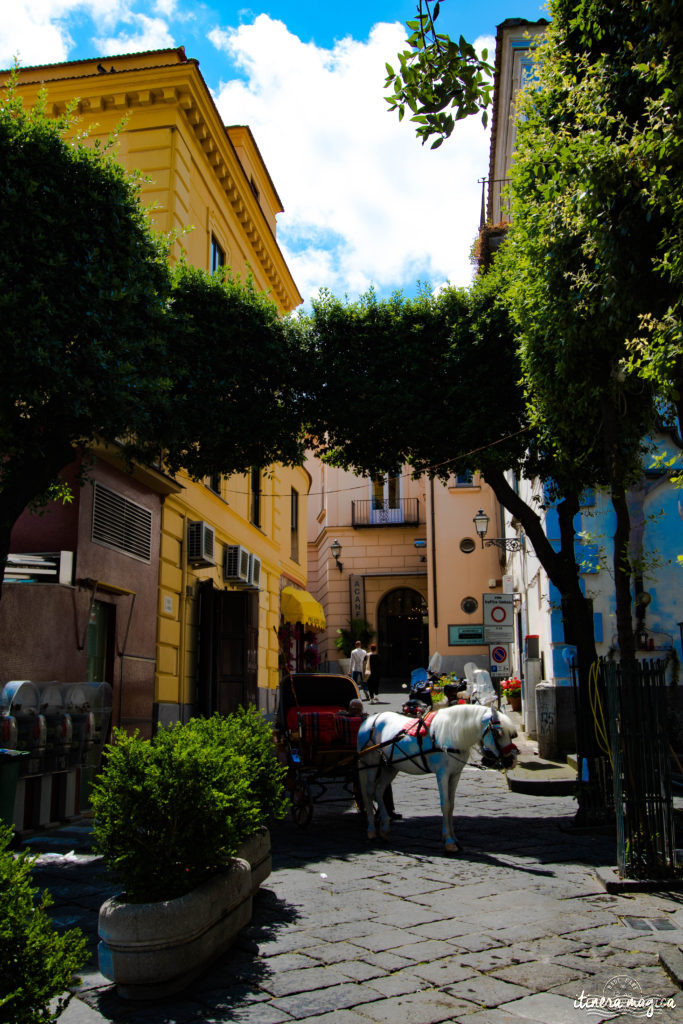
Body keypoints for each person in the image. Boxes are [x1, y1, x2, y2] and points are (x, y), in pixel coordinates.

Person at [344, 698, 401, 820]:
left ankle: (388, 809)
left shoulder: (367, 722)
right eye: (353, 709)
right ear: (349, 710)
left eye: (358, 709)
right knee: (362, 779)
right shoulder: (345, 720)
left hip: (371, 753)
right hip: (357, 757)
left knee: (385, 775)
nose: (355, 711)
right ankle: (366, 808)